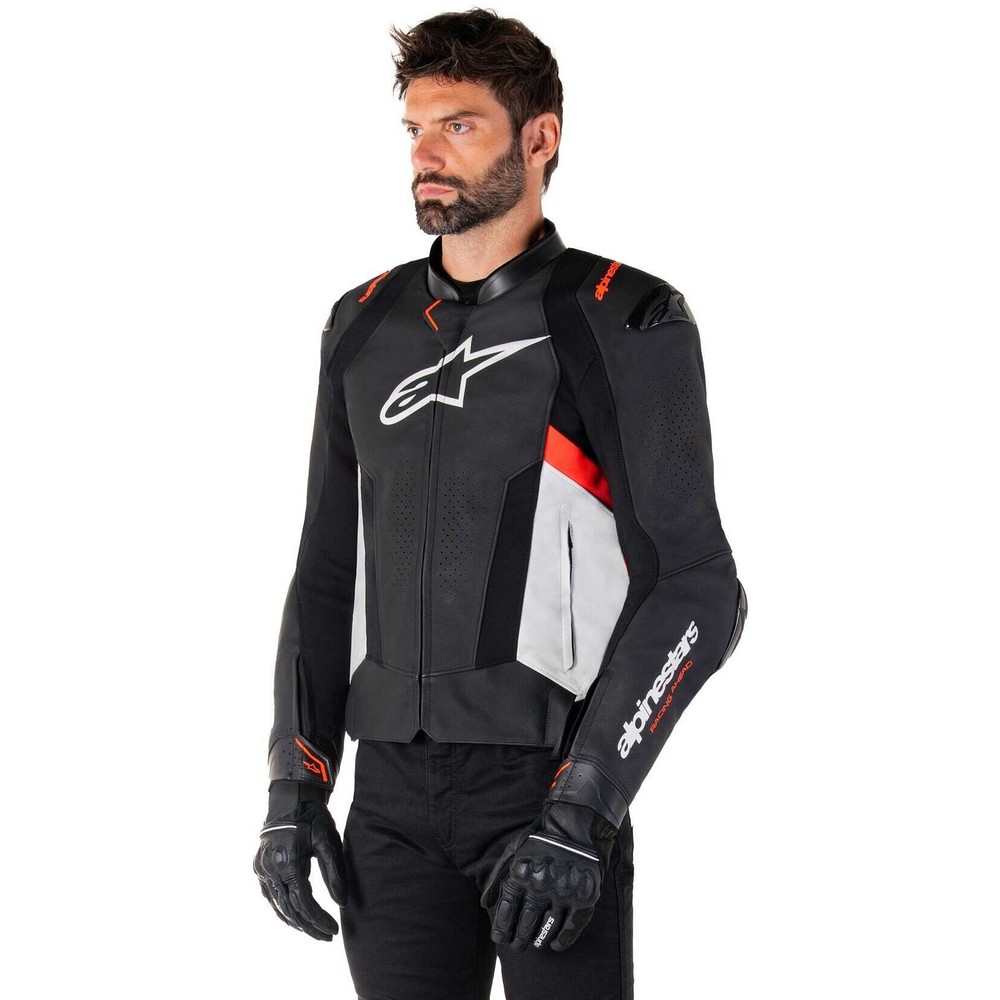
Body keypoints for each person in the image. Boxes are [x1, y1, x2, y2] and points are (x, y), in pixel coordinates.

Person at [252, 8, 748, 999]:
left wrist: (584, 805)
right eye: (415, 128)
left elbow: (698, 586)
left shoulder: (622, 314)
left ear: (539, 137)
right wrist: (294, 784)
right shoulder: (364, 323)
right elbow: (326, 571)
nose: (425, 155)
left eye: (459, 126)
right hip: (388, 803)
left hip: (543, 790)